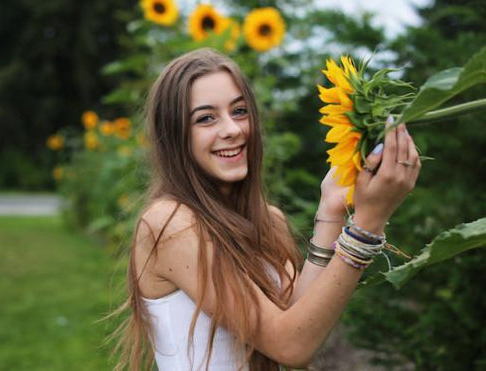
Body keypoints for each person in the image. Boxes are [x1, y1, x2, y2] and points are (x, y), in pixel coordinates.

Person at [110, 48, 421, 371]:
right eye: (206, 118)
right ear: (175, 137)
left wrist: (332, 212)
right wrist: (367, 225)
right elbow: (291, 347)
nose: (232, 129)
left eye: (240, 111)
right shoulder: (170, 223)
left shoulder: (269, 220)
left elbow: (300, 325)